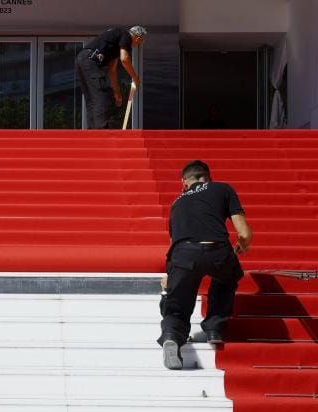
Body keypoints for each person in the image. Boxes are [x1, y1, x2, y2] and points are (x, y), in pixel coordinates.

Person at [158, 160, 252, 370]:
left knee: (177, 303)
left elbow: (175, 243)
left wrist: (169, 274)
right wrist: (239, 248)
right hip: (217, 250)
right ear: (209, 176)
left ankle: (172, 335)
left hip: (182, 255)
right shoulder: (223, 188)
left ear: (184, 183)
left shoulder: (177, 203)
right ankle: (214, 328)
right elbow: (244, 233)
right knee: (228, 276)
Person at [76, 26, 146, 129]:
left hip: (82, 60)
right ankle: (101, 131)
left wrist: (117, 93)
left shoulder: (115, 45)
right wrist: (135, 77)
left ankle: (93, 132)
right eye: (138, 43)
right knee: (101, 95)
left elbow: (112, 71)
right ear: (138, 38)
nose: (135, 46)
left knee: (92, 99)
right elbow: (124, 59)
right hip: (91, 61)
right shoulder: (125, 35)